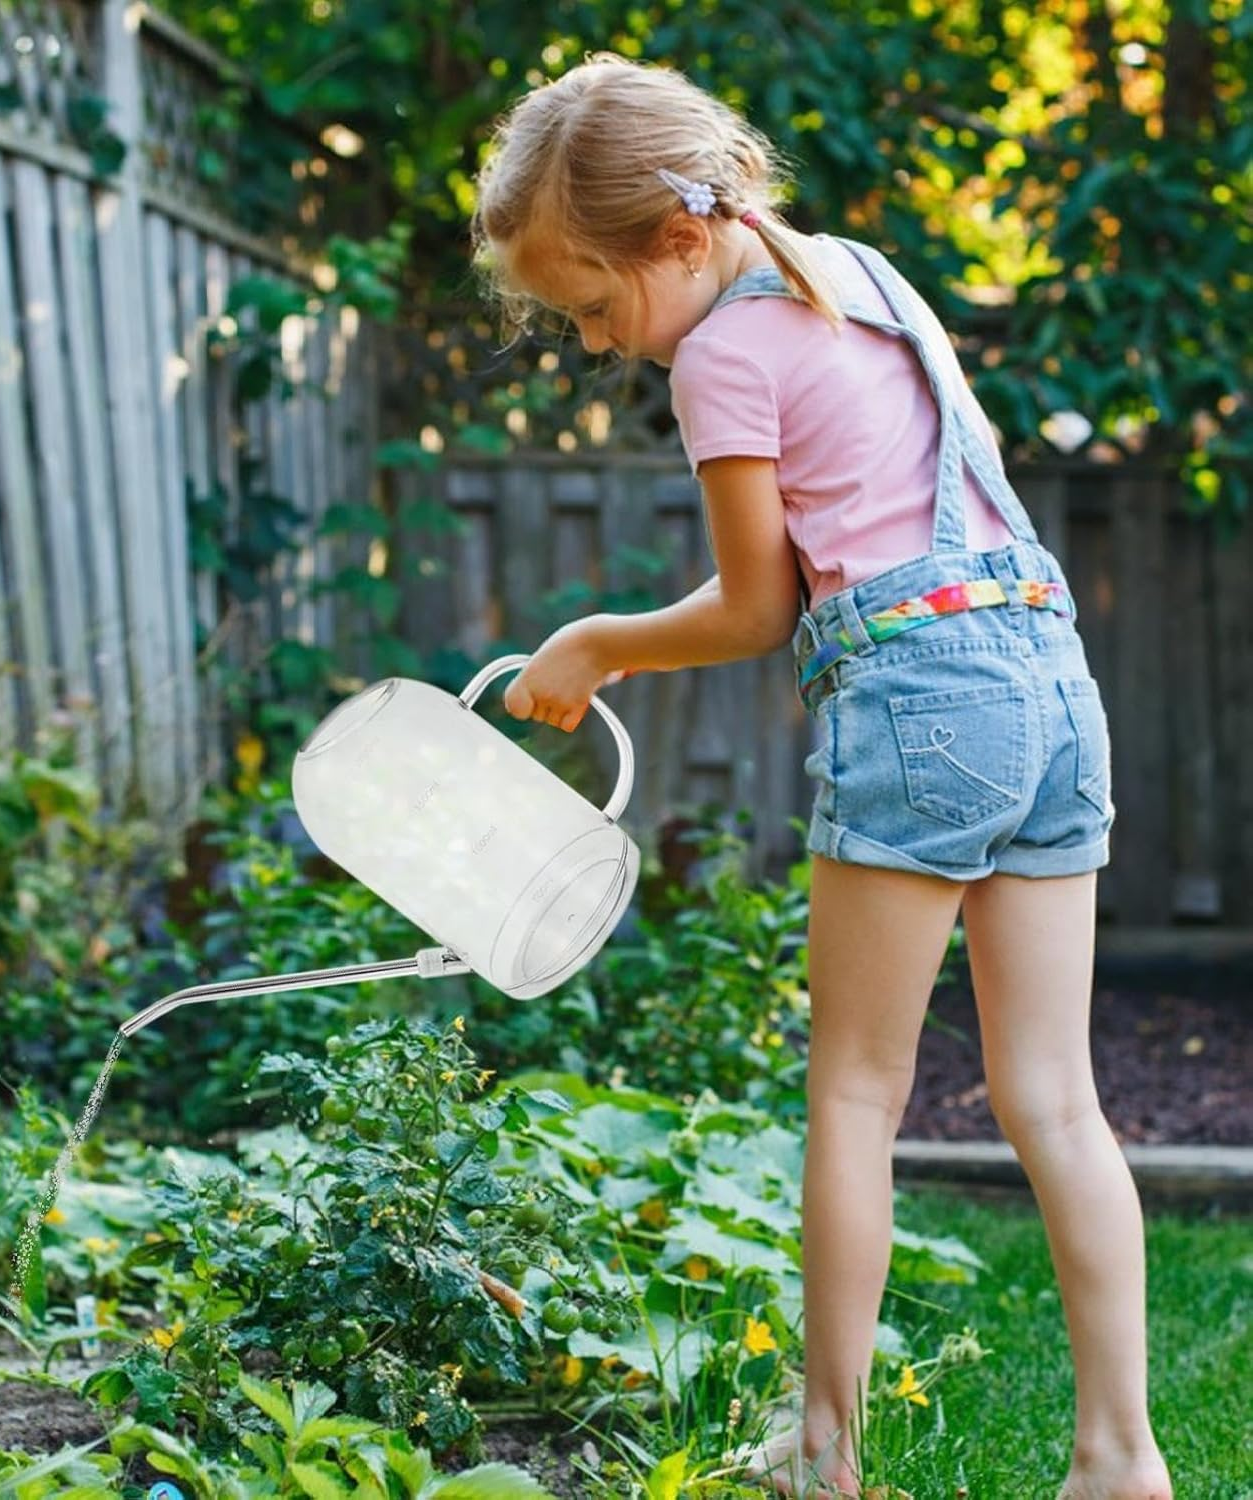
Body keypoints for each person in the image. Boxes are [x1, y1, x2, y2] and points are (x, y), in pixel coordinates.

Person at [470, 52, 1174, 1500]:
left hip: (923, 698)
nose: (602, 342)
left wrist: (595, 643)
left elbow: (755, 607)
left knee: (855, 1094)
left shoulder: (727, 351)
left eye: (595, 307)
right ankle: (1122, 1457)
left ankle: (825, 1452)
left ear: (678, 236)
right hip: (1047, 672)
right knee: (1056, 1096)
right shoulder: (862, 274)